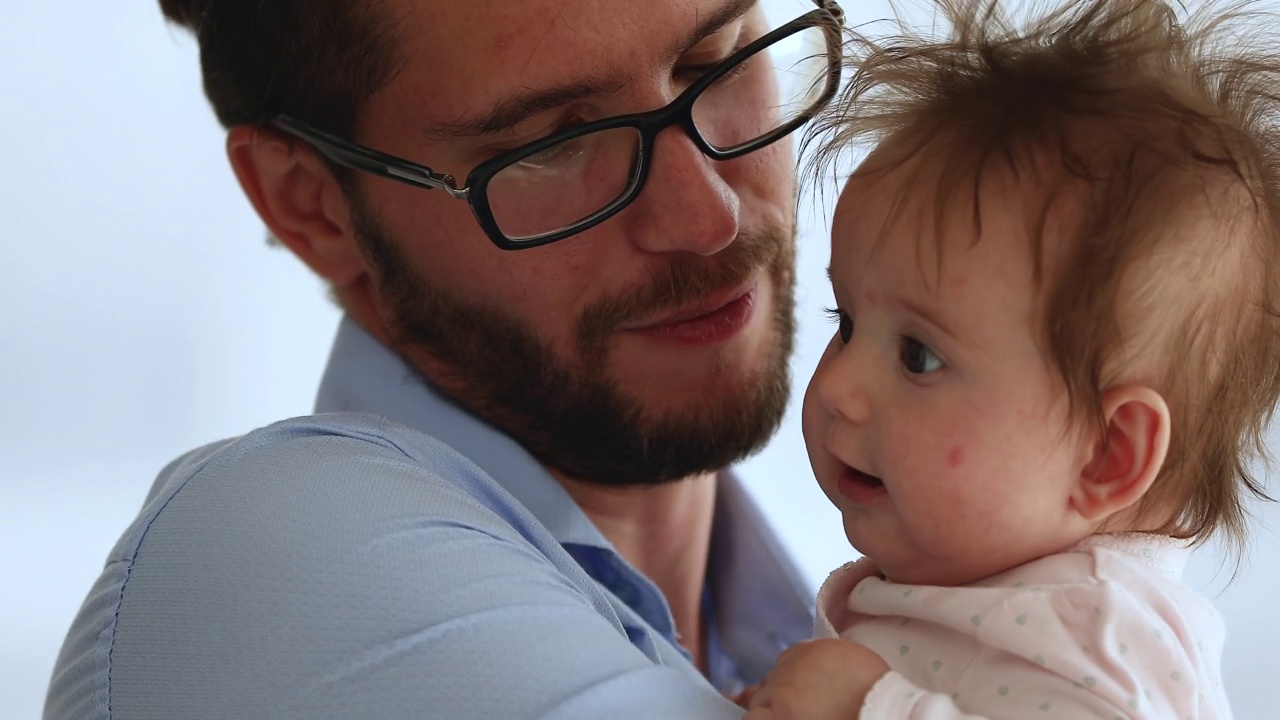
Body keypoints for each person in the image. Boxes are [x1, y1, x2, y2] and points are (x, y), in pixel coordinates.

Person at [44, 1, 847, 718]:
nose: (706, 217)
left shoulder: (842, 632)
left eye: (717, 59)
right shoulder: (270, 568)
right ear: (312, 205)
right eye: (552, 143)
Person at [743, 0, 1280, 717]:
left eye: (918, 356)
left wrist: (869, 708)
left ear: (1106, 454)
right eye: (846, 322)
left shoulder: (1099, 632)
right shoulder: (990, 595)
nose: (837, 386)